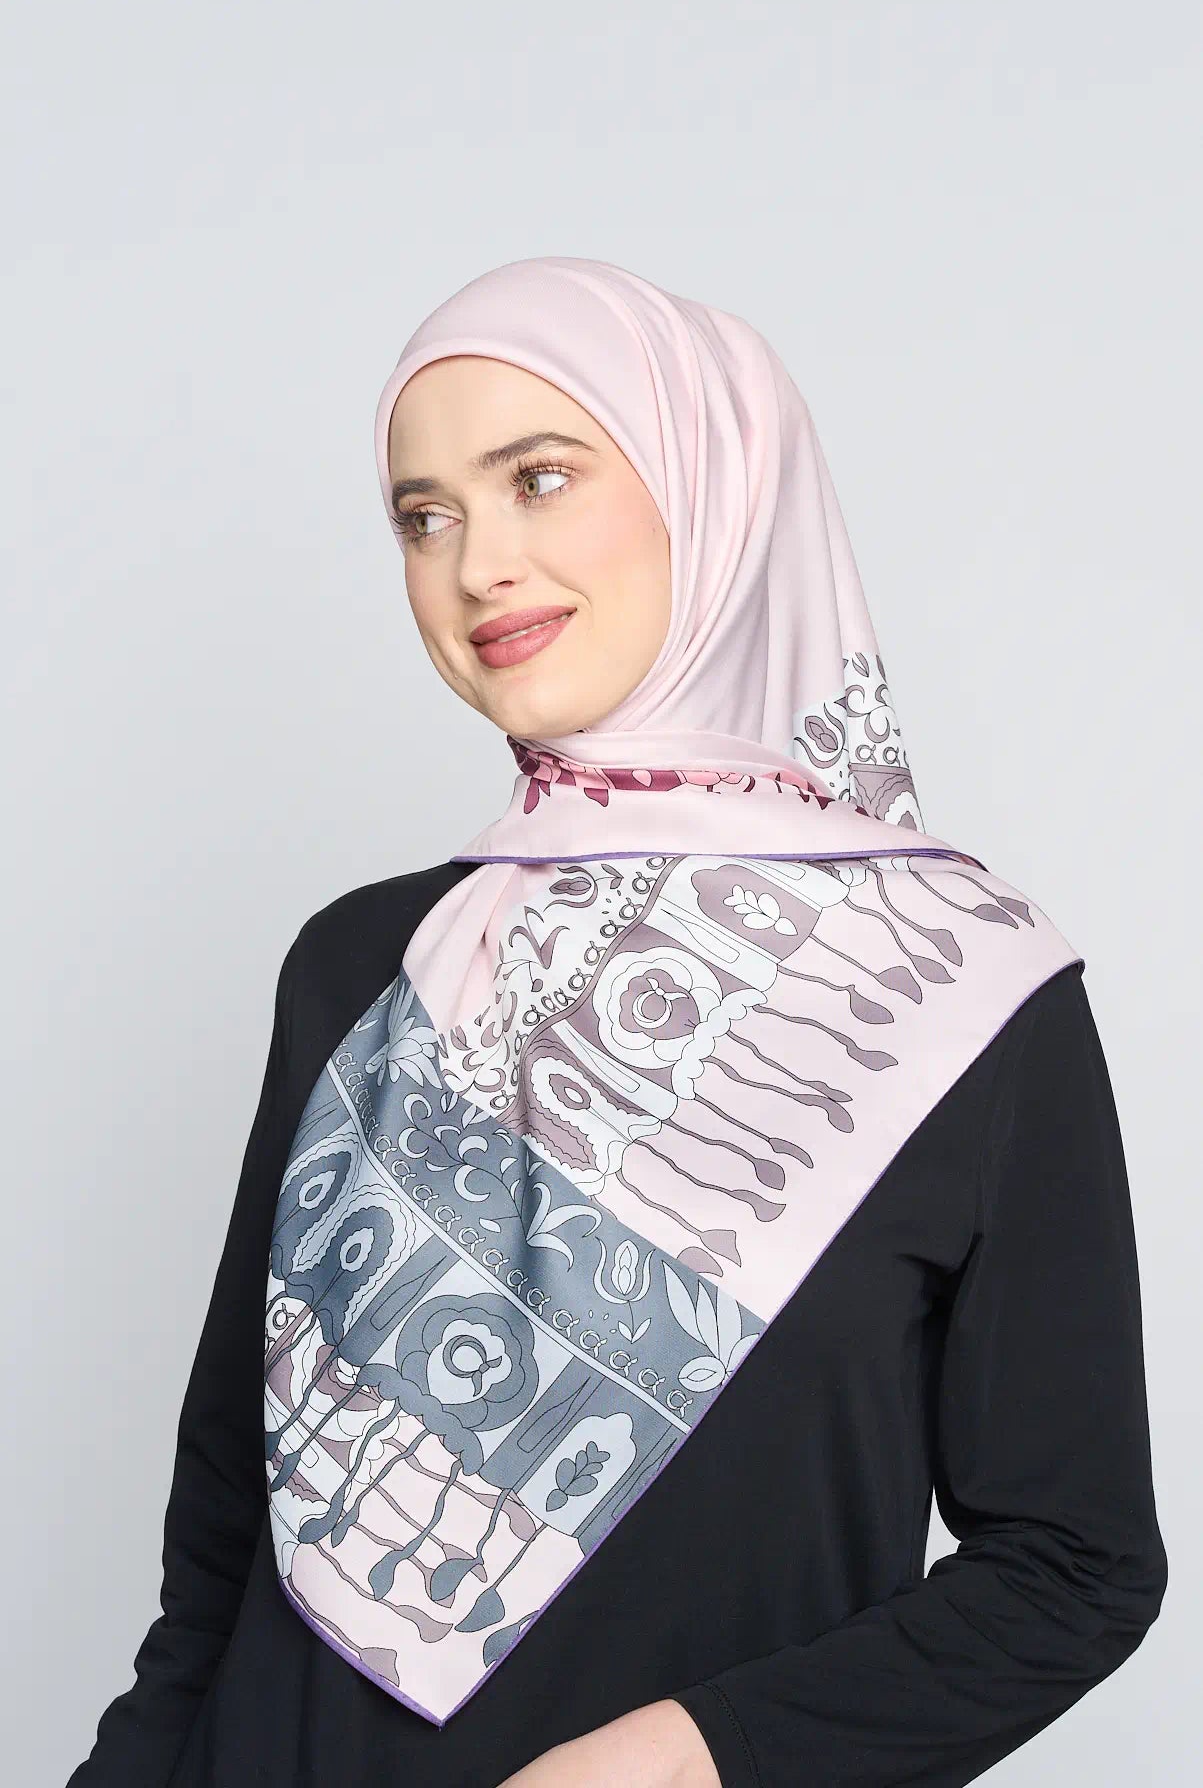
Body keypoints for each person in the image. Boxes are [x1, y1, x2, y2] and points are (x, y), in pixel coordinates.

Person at [68, 256, 1168, 1788]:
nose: (477, 565)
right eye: (424, 515)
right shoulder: (361, 963)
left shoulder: (963, 997)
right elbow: (222, 1560)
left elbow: (1072, 1569)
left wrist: (694, 1756)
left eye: (539, 478)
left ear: (715, 492)